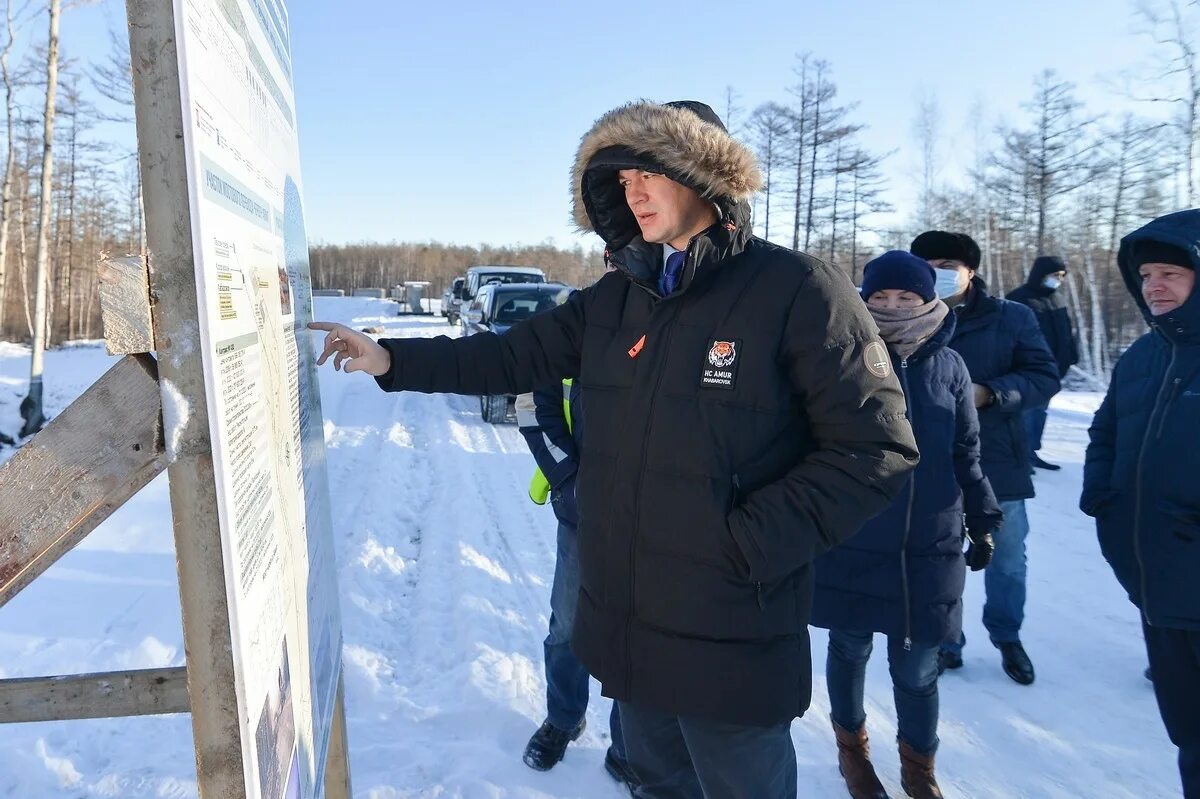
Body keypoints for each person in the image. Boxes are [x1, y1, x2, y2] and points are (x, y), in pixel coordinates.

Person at [310, 99, 919, 798]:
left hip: (732, 642)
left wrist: (743, 543)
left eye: (647, 171)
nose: (631, 190)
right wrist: (389, 357)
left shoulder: (796, 289)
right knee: (654, 786)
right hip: (632, 636)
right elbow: (509, 358)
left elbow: (876, 449)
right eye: (621, 177)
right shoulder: (614, 299)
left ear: (699, 172)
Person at [812, 251, 1003, 799]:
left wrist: (983, 516)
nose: (892, 307)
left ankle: (919, 770)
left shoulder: (951, 367)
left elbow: (967, 451)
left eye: (907, 297)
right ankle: (853, 754)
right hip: (853, 535)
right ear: (863, 299)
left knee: (919, 668)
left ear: (929, 300)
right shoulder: (838, 357)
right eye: (880, 297)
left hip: (930, 542)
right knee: (849, 650)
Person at [1081, 210, 1200, 799]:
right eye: (1148, 274)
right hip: (1157, 587)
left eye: (1172, 273)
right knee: (1188, 735)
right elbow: (1105, 431)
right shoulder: (1142, 357)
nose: (1155, 284)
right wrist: (1101, 493)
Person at [910, 231, 1059, 685]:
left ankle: (1007, 635)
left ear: (970, 270)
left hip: (997, 461)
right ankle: (946, 641)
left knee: (1007, 559)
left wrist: (992, 393)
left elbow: (1042, 375)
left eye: (947, 264)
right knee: (939, 559)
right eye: (928, 264)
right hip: (930, 461)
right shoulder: (906, 315)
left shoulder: (1012, 317)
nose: (937, 273)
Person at [516, 376, 637, 792]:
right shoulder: (576, 320)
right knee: (568, 625)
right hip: (581, 517)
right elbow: (533, 403)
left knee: (637, 634)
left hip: (653, 520)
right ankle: (563, 719)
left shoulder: (676, 321)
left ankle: (629, 746)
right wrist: (568, 481)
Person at [1006, 255, 1080, 471]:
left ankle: (1032, 452)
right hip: (1026, 368)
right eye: (1055, 275)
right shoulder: (1019, 298)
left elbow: (1067, 331)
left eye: (1062, 276)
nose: (1059, 280)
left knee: (1040, 412)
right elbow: (1009, 334)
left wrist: (1071, 354)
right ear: (1041, 274)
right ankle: (1021, 455)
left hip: (1054, 368)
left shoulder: (1057, 299)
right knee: (1025, 413)